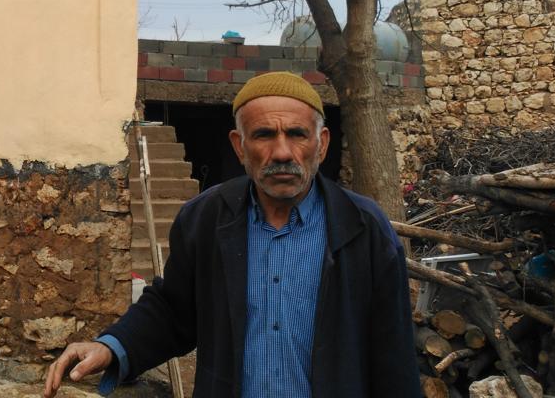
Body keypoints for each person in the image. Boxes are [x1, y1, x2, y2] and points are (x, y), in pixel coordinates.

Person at [43, 72, 421, 398]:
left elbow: (394, 358)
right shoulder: (206, 219)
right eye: (263, 135)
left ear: (321, 144)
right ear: (239, 146)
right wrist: (112, 346)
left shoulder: (362, 228)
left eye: (297, 134)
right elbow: (173, 310)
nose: (282, 152)